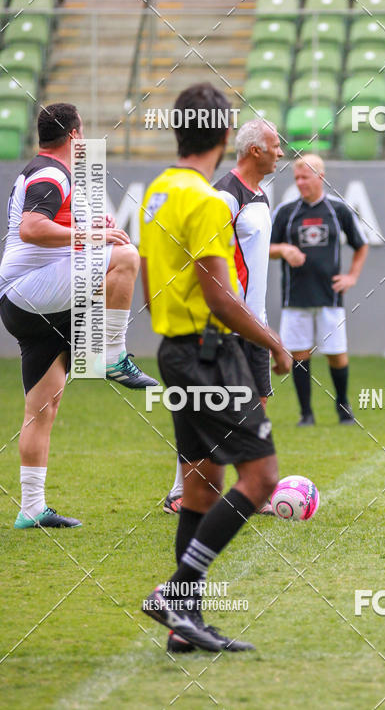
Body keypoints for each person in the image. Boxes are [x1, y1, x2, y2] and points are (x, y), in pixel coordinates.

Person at [139, 83, 291, 653]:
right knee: (262, 477)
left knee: (202, 487)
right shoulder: (206, 199)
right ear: (227, 136)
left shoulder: (157, 190)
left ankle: (185, 628)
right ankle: (176, 593)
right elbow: (221, 297)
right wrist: (274, 344)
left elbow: (152, 286)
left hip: (174, 351)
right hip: (212, 352)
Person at [0, 103, 157, 530]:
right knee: (125, 255)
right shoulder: (52, 172)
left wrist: (89, 224)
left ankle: (32, 508)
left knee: (42, 408)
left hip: (29, 303)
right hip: (32, 291)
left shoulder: (49, 172)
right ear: (74, 135)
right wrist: (93, 233)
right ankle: (110, 353)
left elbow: (53, 227)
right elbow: (33, 227)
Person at [163, 117, 284, 516]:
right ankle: (180, 492)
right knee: (211, 408)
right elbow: (207, 262)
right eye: (276, 146)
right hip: (228, 324)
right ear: (255, 150)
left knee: (256, 404)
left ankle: (252, 490)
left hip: (255, 323)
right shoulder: (224, 197)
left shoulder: (260, 196)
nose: (281, 152)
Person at [270, 154, 369, 426]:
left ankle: (343, 406)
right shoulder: (286, 212)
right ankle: (306, 414)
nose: (300, 183)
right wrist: (283, 249)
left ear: (320, 176)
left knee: (336, 353)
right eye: (297, 178)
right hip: (295, 296)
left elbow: (361, 245)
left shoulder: (338, 210)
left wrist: (351, 277)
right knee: (300, 354)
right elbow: (266, 248)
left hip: (329, 296)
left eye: (305, 177)